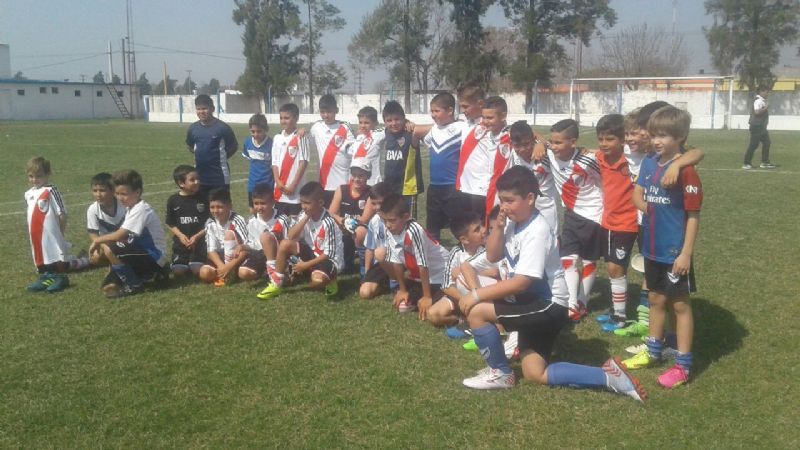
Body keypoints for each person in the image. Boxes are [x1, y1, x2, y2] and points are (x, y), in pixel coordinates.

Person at [455, 166, 646, 402]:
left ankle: (501, 373)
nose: (504, 206)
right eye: (501, 200)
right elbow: (493, 256)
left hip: (548, 307)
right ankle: (609, 377)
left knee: (478, 312)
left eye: (510, 200)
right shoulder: (514, 223)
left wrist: (476, 295)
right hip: (534, 306)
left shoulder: (537, 230)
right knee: (535, 373)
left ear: (530, 198)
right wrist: (499, 227)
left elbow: (521, 283)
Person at [623, 106, 703, 389]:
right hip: (652, 247)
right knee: (656, 300)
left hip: (674, 251)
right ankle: (654, 351)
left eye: (664, 136)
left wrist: (685, 253)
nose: (657, 141)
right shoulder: (649, 163)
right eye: (654, 135)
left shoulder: (687, 171)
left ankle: (683, 366)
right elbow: (640, 197)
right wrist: (653, 211)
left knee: (680, 305)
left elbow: (693, 216)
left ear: (680, 137)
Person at [546, 119, 603, 321]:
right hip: (570, 215)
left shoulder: (589, 160)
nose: (553, 147)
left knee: (588, 260)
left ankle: (582, 302)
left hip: (593, 216)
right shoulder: (549, 153)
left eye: (558, 143)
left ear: (573, 142)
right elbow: (535, 137)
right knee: (567, 259)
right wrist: (539, 143)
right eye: (551, 142)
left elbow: (608, 175)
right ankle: (571, 304)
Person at [591, 114, 640, 331]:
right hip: (608, 222)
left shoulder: (632, 160)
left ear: (622, 140)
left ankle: (620, 316)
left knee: (615, 268)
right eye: (601, 139)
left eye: (610, 139)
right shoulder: (599, 157)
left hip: (627, 223)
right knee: (611, 267)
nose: (604, 144)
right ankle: (615, 311)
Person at [257, 182, 344, 301]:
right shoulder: (304, 214)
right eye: (302, 202)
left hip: (328, 260)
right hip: (312, 254)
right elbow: (290, 236)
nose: (303, 206)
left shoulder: (329, 222)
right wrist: (306, 218)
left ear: (320, 203)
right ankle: (276, 283)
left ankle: (331, 279)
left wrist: (305, 265)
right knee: (285, 244)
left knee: (317, 282)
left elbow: (329, 254)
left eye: (307, 203)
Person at [89, 170, 168, 298]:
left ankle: (134, 284)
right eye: (117, 193)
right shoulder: (130, 207)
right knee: (108, 286)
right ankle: (148, 276)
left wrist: (97, 241)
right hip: (140, 251)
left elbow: (119, 235)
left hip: (154, 256)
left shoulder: (141, 209)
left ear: (137, 192)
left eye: (124, 194)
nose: (120, 198)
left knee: (110, 249)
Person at [24, 157, 89, 293]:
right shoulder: (29, 193)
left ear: (48, 174)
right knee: (41, 254)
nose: (34, 179)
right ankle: (46, 276)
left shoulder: (51, 190)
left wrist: (60, 231)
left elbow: (62, 212)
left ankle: (61, 278)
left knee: (55, 253)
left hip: (52, 231)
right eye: (31, 176)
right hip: (35, 233)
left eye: (39, 176)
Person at [381, 193, 449, 315]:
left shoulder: (415, 230)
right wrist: (402, 290)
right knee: (403, 307)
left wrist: (427, 296)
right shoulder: (389, 230)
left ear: (406, 217)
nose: (387, 225)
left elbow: (423, 264)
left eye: (391, 220)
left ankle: (442, 299)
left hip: (441, 273)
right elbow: (396, 261)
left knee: (433, 310)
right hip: (420, 277)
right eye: (384, 220)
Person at [416, 92, 469, 241]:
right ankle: (434, 257)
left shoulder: (462, 127)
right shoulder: (434, 130)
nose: (433, 115)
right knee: (432, 227)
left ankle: (464, 255)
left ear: (450, 111)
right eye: (431, 111)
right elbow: (420, 135)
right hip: (434, 187)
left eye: (437, 111)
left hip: (453, 187)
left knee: (459, 226)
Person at [426, 212, 486, 329]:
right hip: (460, 296)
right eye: (477, 229)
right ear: (464, 239)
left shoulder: (489, 249)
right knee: (433, 314)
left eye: (482, 225)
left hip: (483, 294)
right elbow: (446, 285)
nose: (484, 230)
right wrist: (464, 299)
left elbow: (497, 273)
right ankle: (461, 320)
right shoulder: (456, 252)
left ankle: (476, 318)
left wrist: (465, 272)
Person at [456, 96, 512, 220]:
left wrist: (541, 144)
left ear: (503, 116)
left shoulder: (510, 135)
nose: (485, 121)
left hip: (492, 192)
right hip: (471, 188)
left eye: (490, 118)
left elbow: (529, 135)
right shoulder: (481, 130)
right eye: (484, 117)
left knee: (488, 226)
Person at [185, 94, 239, 198]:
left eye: (204, 108)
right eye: (198, 109)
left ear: (212, 108)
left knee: (220, 208)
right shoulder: (193, 128)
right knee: (202, 209)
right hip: (199, 177)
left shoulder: (223, 128)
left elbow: (234, 146)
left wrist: (221, 157)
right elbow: (190, 146)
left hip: (219, 177)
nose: (201, 112)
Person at [507, 121, 557, 228]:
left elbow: (563, 151)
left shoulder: (547, 155)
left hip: (546, 209)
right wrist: (540, 142)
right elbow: (511, 128)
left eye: (526, 144)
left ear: (533, 140)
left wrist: (542, 143)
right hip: (523, 209)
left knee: (551, 241)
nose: (523, 149)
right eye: (517, 145)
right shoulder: (512, 154)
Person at [239, 184, 291, 285]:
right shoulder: (252, 221)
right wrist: (243, 246)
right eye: (256, 203)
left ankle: (276, 274)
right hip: (259, 255)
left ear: (272, 202)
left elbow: (287, 243)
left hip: (278, 256)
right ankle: (266, 272)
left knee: (267, 237)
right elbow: (253, 244)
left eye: (263, 203)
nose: (259, 207)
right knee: (243, 273)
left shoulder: (282, 219)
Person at [309, 94, 355, 207]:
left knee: (342, 216)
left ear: (336, 110)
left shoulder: (345, 127)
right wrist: (301, 131)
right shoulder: (316, 128)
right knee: (326, 215)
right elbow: (306, 142)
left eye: (329, 111)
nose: (326, 115)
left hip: (343, 183)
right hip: (324, 183)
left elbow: (354, 151)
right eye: (323, 111)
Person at [198, 188, 249, 286]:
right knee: (204, 273)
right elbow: (211, 251)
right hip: (220, 257)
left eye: (219, 207)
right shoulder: (210, 223)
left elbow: (247, 249)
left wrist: (229, 266)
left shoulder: (237, 220)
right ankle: (224, 273)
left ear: (229, 206)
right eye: (212, 207)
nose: (215, 211)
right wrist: (222, 266)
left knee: (229, 235)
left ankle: (231, 273)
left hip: (237, 257)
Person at [329, 159, 372, 274]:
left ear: (368, 177)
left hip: (360, 230)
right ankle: (338, 260)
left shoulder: (371, 192)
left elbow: (364, 220)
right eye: (354, 175)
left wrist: (347, 222)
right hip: (343, 227)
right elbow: (331, 213)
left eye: (361, 176)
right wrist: (342, 221)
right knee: (330, 225)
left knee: (360, 230)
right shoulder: (342, 189)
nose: (356, 179)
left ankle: (364, 264)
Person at [165, 165, 208, 277]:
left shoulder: (203, 198)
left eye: (197, 178)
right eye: (192, 180)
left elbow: (210, 223)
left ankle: (198, 261)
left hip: (199, 242)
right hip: (181, 244)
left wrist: (196, 237)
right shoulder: (173, 200)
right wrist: (180, 236)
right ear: (181, 183)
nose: (197, 181)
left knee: (196, 270)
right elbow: (170, 223)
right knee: (178, 272)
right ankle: (178, 262)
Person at [382, 101, 424, 215]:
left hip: (408, 188)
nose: (394, 123)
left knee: (407, 219)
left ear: (403, 118)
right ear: (384, 122)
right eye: (389, 120)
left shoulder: (411, 133)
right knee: (391, 217)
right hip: (389, 186)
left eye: (397, 119)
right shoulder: (385, 133)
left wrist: (411, 124)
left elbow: (429, 130)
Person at [272, 103, 310, 217]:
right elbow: (274, 162)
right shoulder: (277, 137)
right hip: (279, 191)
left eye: (287, 118)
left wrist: (293, 185)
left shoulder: (301, 137)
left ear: (296, 118)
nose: (283, 121)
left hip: (295, 193)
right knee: (279, 225)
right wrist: (277, 181)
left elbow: (304, 162)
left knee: (294, 226)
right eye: (281, 118)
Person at [359, 182, 393, 300]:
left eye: (380, 203)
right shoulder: (374, 221)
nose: (377, 207)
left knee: (382, 252)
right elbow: (369, 248)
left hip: (400, 263)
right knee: (365, 293)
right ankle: (384, 283)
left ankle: (398, 281)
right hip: (381, 263)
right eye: (373, 203)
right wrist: (367, 273)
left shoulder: (399, 219)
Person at [86, 172, 126, 267]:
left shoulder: (123, 204)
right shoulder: (93, 210)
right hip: (107, 241)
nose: (98, 194)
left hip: (126, 239)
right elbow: (94, 235)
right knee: (95, 258)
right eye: (95, 191)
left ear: (113, 190)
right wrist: (105, 248)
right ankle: (114, 259)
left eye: (102, 190)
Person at [242, 113, 274, 210]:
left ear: (266, 129)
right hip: (253, 185)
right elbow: (249, 158)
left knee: (268, 210)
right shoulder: (247, 142)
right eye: (253, 131)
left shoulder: (272, 144)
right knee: (253, 210)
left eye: (259, 131)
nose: (255, 134)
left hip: (268, 185)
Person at [351, 106, 385, 186]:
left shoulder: (378, 134)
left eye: (366, 123)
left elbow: (391, 127)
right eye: (360, 122)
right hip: (357, 181)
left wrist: (406, 121)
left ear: (376, 123)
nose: (362, 125)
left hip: (372, 182)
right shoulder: (359, 137)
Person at [743, 88, 774, 170]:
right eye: (766, 92)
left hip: (760, 127)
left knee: (767, 142)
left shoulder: (761, 101)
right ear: (761, 91)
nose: (768, 94)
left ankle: (764, 162)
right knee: (754, 145)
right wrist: (766, 108)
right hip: (757, 126)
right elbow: (757, 112)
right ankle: (747, 163)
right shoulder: (758, 101)